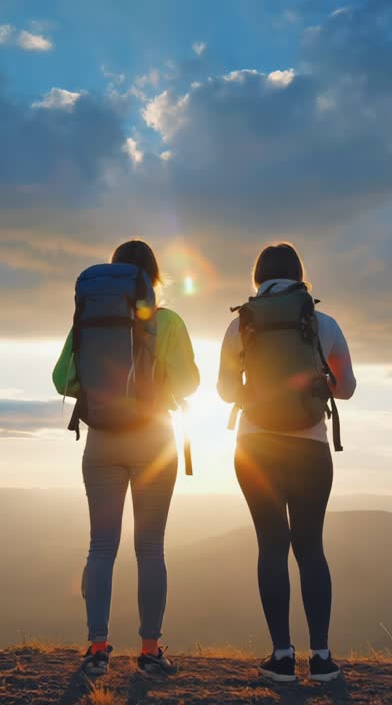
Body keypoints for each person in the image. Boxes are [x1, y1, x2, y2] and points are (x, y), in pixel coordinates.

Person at [53, 239, 199, 677]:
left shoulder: (91, 319)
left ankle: (97, 648)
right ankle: (150, 651)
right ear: (152, 278)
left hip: (101, 441)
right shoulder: (168, 321)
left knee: (101, 547)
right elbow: (189, 382)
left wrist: (101, 392)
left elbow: (62, 378)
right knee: (150, 549)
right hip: (154, 440)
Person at [217, 242, 357, 683]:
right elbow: (347, 388)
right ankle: (321, 658)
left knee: (271, 548)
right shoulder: (322, 323)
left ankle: (281, 657)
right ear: (300, 276)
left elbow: (223, 391)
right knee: (311, 549)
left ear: (258, 279)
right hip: (310, 447)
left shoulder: (241, 325)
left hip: (255, 449)